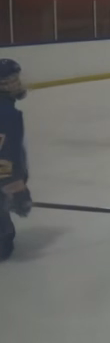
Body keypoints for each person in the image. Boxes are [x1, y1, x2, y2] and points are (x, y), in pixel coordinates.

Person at [0, 60, 31, 261]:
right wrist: (16, 190)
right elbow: (3, 157)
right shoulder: (6, 114)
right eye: (12, 80)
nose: (17, 83)